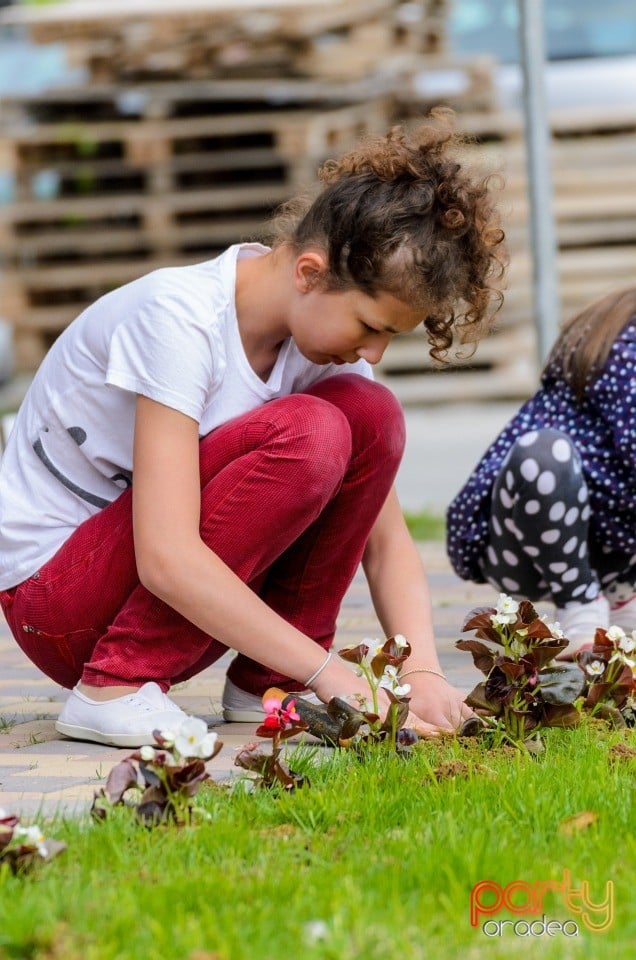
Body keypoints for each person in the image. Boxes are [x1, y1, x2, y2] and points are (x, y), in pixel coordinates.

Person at [0, 111, 505, 747]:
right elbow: (165, 557)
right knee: (312, 433)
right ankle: (114, 689)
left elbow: (385, 540)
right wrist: (331, 675)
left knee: (371, 415)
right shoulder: (177, 320)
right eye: (370, 327)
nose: (374, 354)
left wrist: (423, 671)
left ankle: (266, 682)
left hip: (164, 604)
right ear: (309, 273)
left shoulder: (323, 351)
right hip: (58, 607)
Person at [447, 287, 636, 654]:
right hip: (527, 550)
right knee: (544, 455)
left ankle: (619, 596)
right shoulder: (626, 343)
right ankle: (580, 605)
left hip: (612, 543)